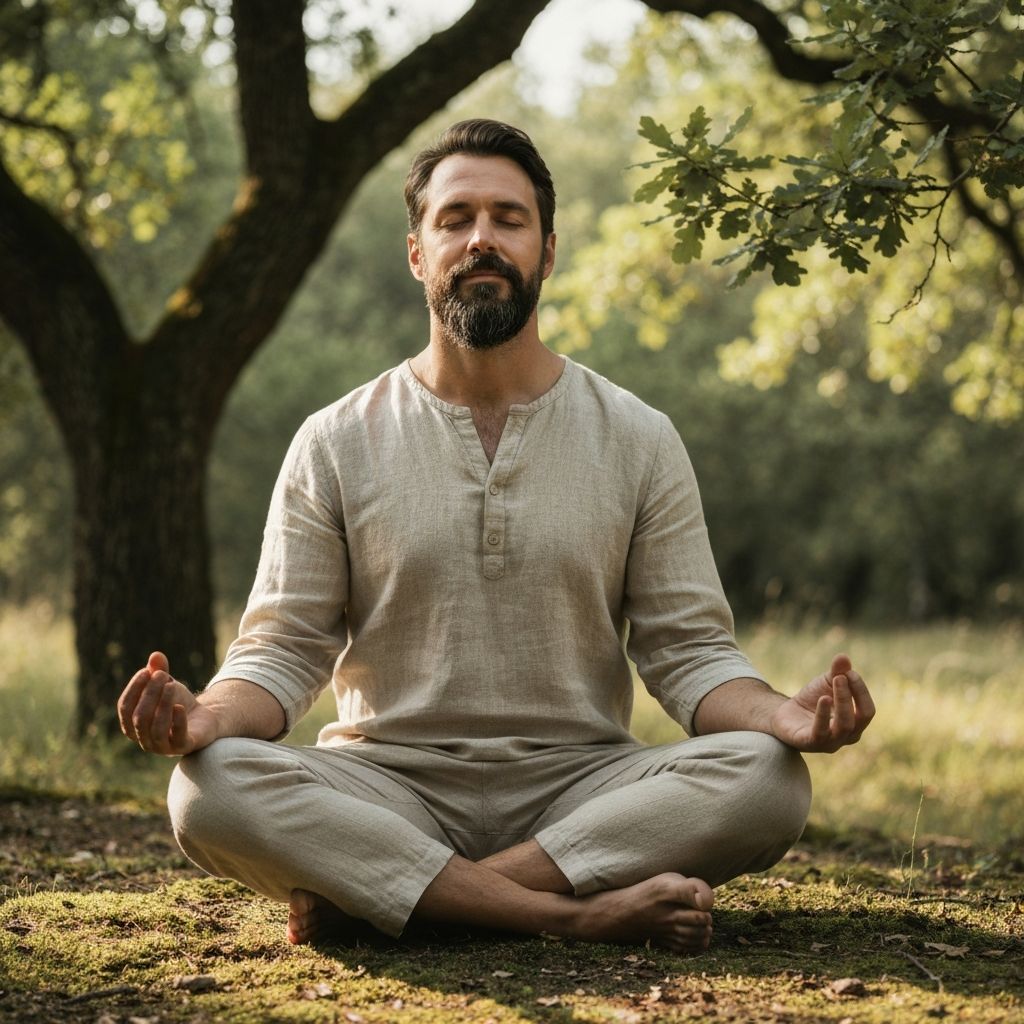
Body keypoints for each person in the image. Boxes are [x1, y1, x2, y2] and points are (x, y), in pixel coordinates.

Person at [117, 119, 874, 954]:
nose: (482, 238)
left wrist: (784, 717)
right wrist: (203, 720)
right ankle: (566, 913)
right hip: (385, 786)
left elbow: (688, 651)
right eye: (456, 218)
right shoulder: (333, 440)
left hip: (580, 788)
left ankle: (399, 899)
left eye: (509, 219)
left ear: (547, 251)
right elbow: (283, 652)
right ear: (417, 252)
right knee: (208, 789)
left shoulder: (638, 436)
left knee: (768, 778)